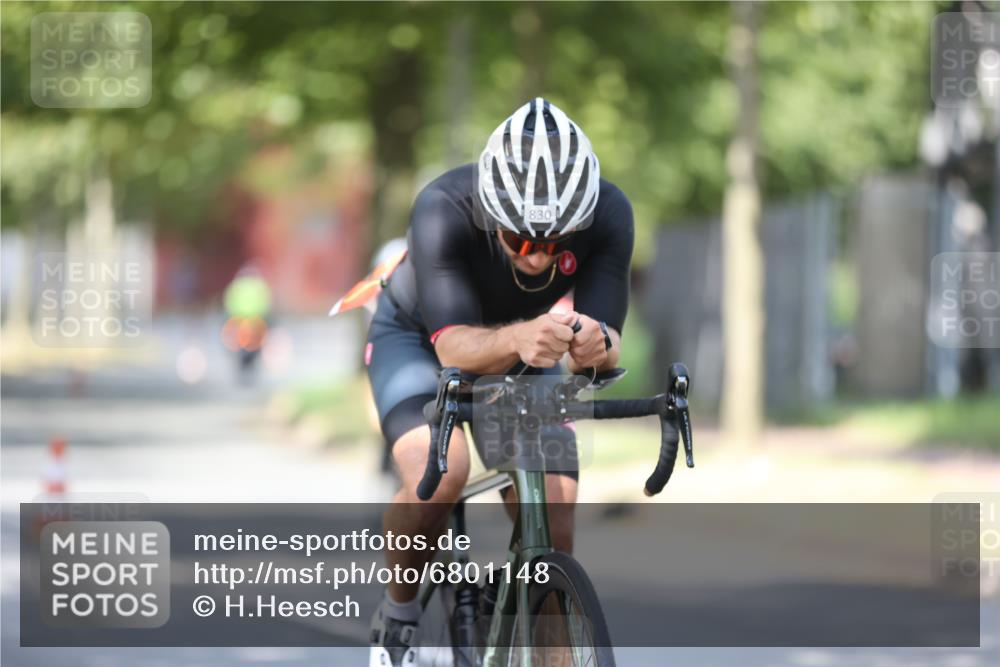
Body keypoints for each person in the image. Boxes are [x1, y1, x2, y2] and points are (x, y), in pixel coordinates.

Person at [366, 98, 634, 666]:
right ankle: (400, 611)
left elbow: (607, 345)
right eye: (519, 240)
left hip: (529, 346)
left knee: (555, 513)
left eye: (554, 241)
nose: (537, 257)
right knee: (442, 476)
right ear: (492, 215)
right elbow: (452, 347)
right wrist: (519, 339)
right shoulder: (444, 205)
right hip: (419, 341)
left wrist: (595, 344)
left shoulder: (610, 212)